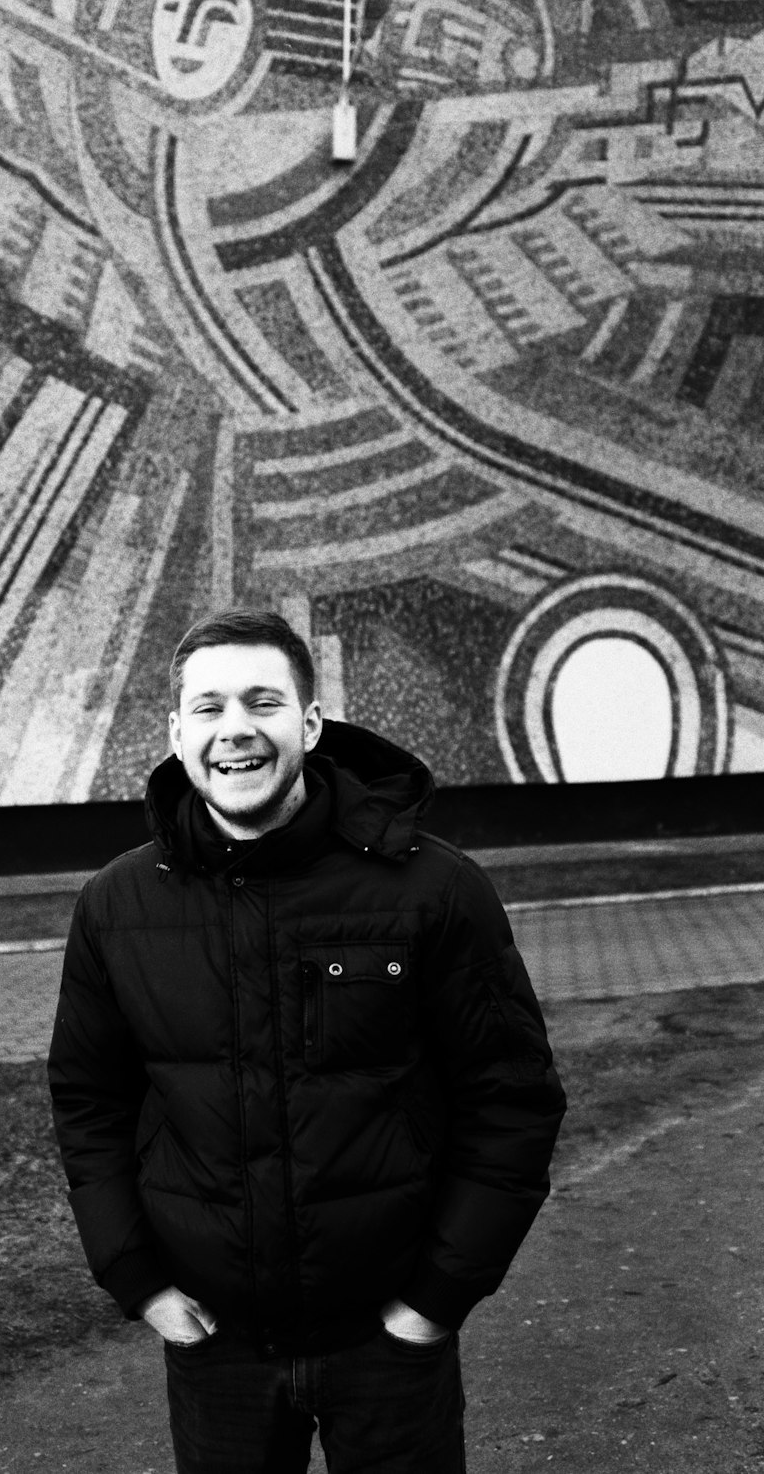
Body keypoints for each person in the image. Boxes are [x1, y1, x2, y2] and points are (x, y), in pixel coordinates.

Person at [47, 608, 566, 1473]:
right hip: (216, 1347)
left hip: (389, 1343)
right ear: (177, 734)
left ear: (311, 723)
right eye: (208, 708)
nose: (236, 729)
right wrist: (137, 1278)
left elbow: (512, 1101)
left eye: (263, 701)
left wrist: (434, 1300)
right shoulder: (116, 906)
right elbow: (90, 1101)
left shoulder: (433, 889)